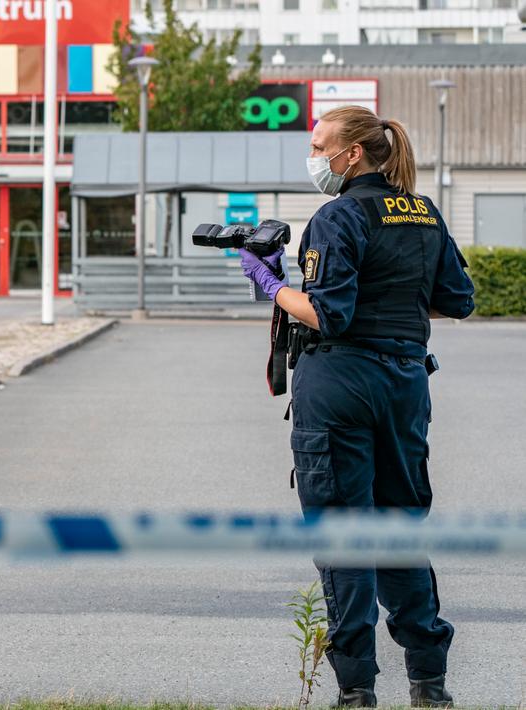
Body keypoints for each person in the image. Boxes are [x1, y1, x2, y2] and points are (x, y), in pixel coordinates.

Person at [241, 105, 474, 708]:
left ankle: (356, 691)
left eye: (319, 147)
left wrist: (270, 284)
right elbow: (457, 299)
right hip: (405, 384)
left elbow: (329, 314)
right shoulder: (423, 211)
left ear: (352, 154)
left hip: (340, 384)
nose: (313, 156)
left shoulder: (336, 216)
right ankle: (429, 684)